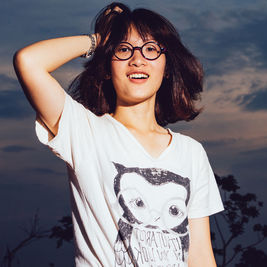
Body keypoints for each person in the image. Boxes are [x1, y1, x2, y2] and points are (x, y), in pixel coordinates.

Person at [13, 2, 224, 267]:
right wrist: (102, 39)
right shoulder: (83, 131)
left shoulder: (191, 152)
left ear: (167, 66)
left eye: (151, 49)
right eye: (124, 49)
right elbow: (29, 61)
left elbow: (200, 255)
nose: (138, 59)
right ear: (107, 67)